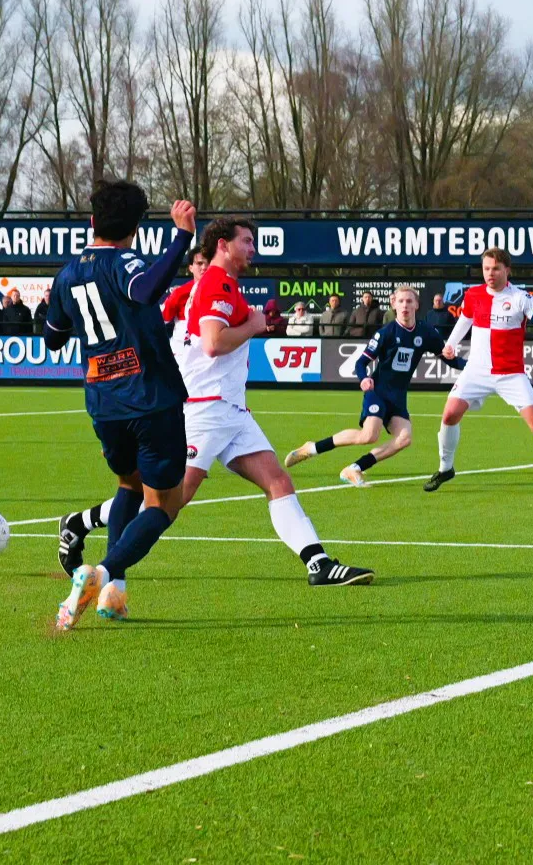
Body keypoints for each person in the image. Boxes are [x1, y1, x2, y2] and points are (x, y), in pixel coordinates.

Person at [180, 216, 374, 585]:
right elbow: (213, 343)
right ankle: (90, 532)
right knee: (172, 499)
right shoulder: (217, 282)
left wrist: (253, 323)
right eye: (247, 241)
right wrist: (253, 326)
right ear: (223, 245)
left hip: (231, 410)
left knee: (279, 482)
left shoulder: (225, 284)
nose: (253, 248)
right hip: (208, 409)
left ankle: (318, 564)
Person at [47, 182, 197, 628]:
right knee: (163, 505)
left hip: (104, 404)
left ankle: (115, 595)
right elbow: (146, 289)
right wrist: (183, 235)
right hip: (150, 398)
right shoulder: (125, 261)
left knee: (129, 486)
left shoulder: (68, 273)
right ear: (136, 227)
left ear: (92, 222)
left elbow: (53, 338)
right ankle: (102, 574)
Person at [425, 248, 533, 494]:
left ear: (507, 270)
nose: (490, 273)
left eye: (496, 269)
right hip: (475, 371)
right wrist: (451, 344)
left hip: (510, 373)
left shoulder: (522, 298)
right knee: (449, 415)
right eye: (486, 268)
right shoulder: (474, 294)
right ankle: (446, 468)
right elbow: (465, 320)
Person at [284, 286, 464, 486]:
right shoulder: (385, 333)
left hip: (398, 397)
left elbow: (450, 360)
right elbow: (361, 363)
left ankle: (354, 468)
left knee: (404, 438)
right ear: (394, 304)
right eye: (401, 301)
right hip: (377, 391)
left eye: (409, 301)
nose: (405, 305)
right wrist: (364, 378)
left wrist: (473, 368)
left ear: (417, 305)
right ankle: (312, 448)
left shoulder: (427, 332)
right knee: (369, 436)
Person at [160, 246, 208, 350]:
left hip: (209, 354)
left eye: (208, 263)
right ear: (191, 268)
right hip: (181, 353)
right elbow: (161, 319)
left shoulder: (223, 291)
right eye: (199, 263)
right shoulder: (179, 293)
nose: (204, 267)